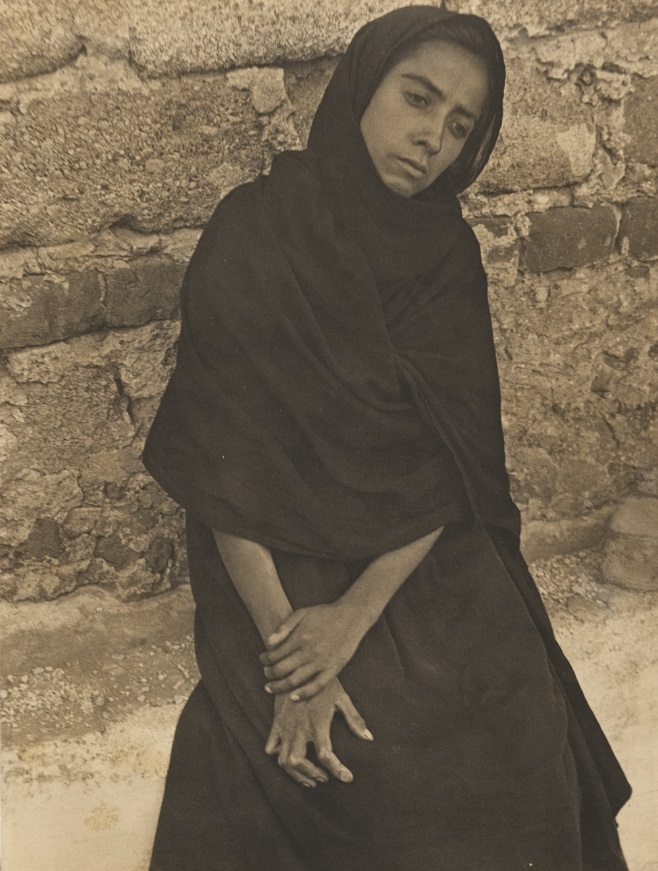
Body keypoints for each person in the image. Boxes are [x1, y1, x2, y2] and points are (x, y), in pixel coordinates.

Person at [142, 6, 631, 870]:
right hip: (272, 556)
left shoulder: (446, 255)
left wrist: (355, 617)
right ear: (365, 86)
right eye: (418, 99)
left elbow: (457, 468)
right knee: (375, 777)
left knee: (521, 728)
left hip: (415, 545)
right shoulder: (254, 231)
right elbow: (221, 470)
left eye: (459, 125)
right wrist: (300, 659)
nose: (431, 139)